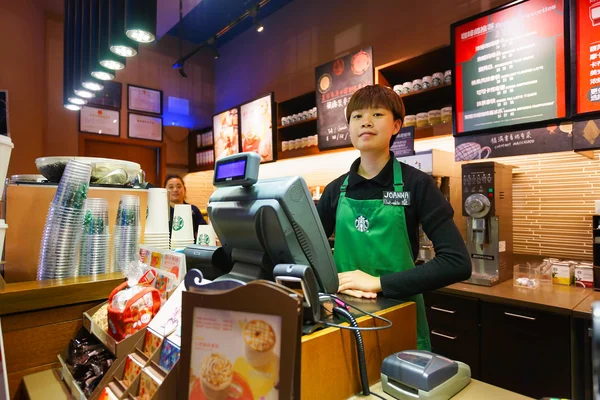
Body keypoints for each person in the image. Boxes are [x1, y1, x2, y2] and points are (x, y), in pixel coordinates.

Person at [316, 85, 471, 351]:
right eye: (357, 116)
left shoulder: (417, 185)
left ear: (396, 125)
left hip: (399, 316)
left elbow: (457, 262)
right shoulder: (334, 191)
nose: (366, 121)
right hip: (343, 316)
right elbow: (306, 255)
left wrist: (378, 283)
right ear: (349, 128)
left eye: (377, 114)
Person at [164, 174, 207, 240]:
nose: (175, 190)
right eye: (171, 187)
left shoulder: (193, 210)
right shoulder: (161, 211)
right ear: (165, 191)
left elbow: (203, 232)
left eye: (179, 187)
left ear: (184, 189)